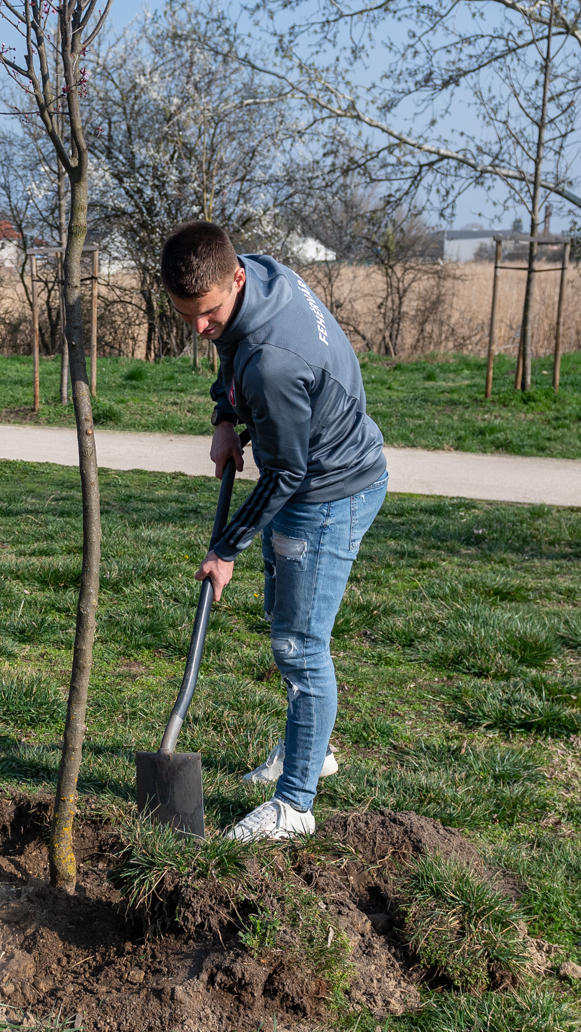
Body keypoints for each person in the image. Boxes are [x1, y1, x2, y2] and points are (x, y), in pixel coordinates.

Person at [160, 221, 389, 841]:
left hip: (328, 491)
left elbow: (287, 472)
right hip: (316, 473)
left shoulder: (273, 363)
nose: (198, 328)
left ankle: (295, 805)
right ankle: (309, 747)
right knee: (289, 621)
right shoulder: (259, 275)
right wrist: (224, 417)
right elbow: (230, 347)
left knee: (299, 644)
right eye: (186, 315)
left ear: (234, 278)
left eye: (207, 313)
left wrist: (226, 547)